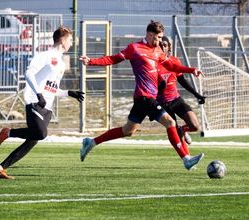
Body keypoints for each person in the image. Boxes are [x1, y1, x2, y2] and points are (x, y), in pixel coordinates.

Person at [79, 20, 205, 170]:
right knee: (170, 123)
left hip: (145, 99)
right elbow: (113, 58)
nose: (160, 41)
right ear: (150, 34)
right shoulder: (135, 48)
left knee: (128, 130)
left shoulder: (157, 51)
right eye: (158, 37)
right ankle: (186, 159)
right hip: (144, 97)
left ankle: (91, 142)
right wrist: (91, 61)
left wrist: (191, 70)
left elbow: (171, 65)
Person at [0, 26, 84, 180]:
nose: (72, 43)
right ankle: (8, 133)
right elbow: (29, 73)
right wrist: (38, 94)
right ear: (62, 40)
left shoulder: (60, 63)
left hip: (47, 107)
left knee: (33, 139)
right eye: (70, 40)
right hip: (35, 101)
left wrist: (68, 93)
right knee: (41, 134)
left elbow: (52, 88)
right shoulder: (45, 56)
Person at [157, 36, 205, 145]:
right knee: (175, 133)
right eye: (159, 45)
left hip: (176, 100)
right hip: (162, 104)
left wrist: (196, 94)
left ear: (169, 47)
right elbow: (150, 87)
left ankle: (182, 129)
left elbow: (182, 80)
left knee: (195, 126)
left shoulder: (174, 61)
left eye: (164, 45)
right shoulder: (153, 63)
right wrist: (160, 88)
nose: (162, 47)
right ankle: (186, 154)